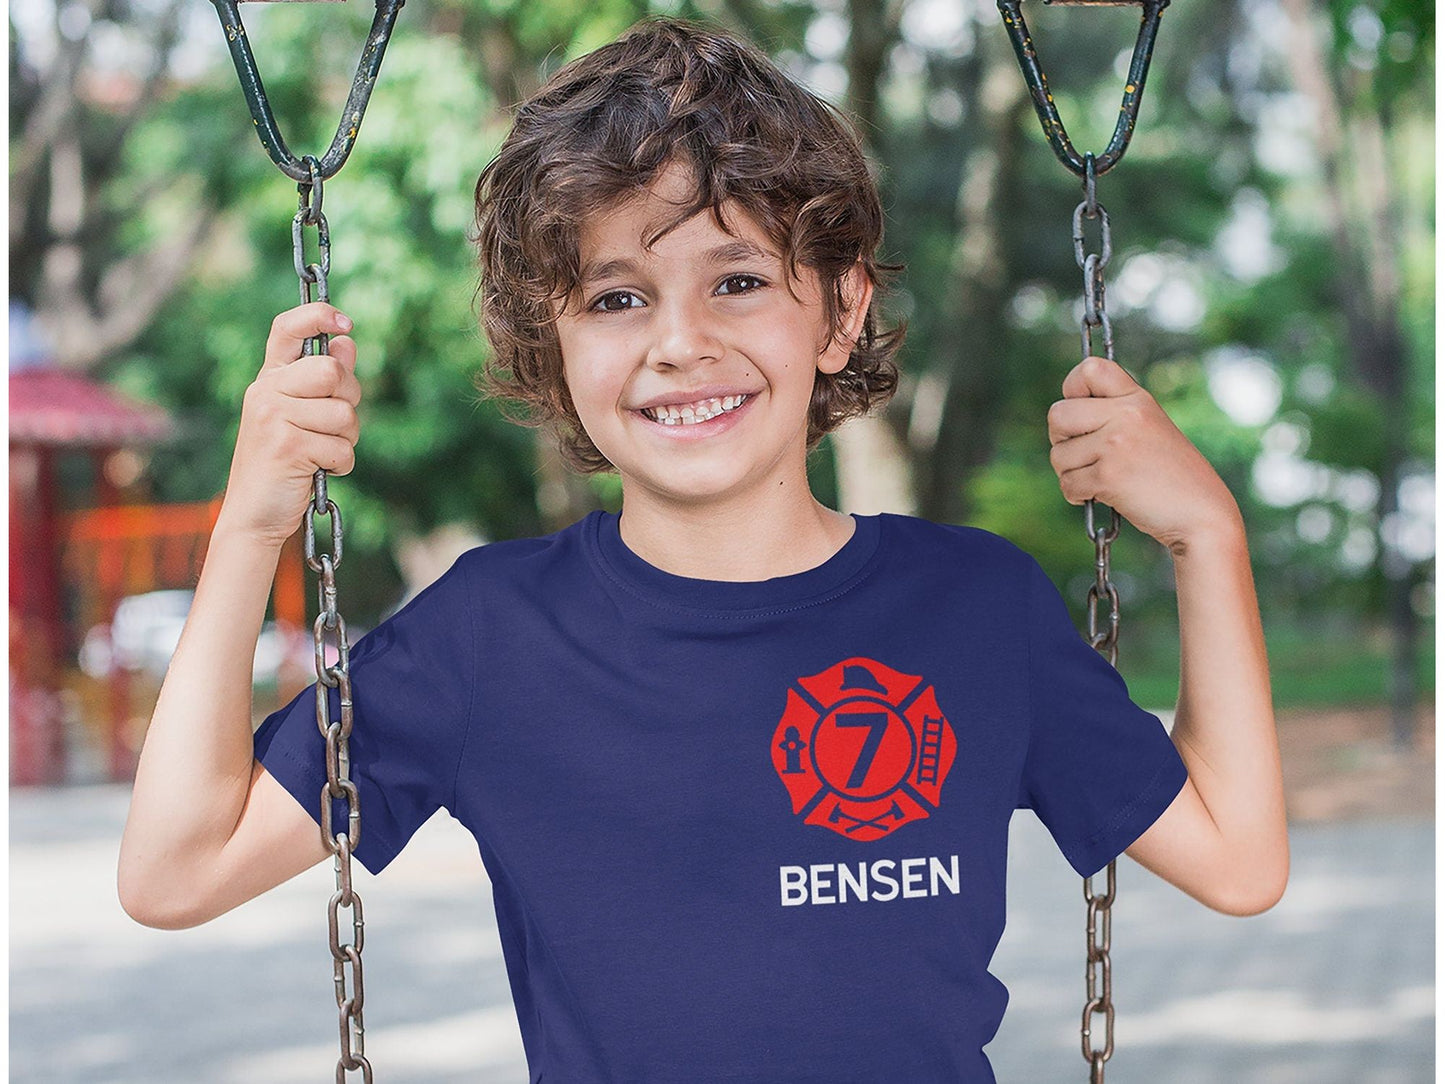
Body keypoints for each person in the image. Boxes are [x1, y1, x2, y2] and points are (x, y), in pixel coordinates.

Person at [118, 15, 1288, 1081]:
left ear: (840, 314)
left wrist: (1204, 533)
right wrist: (250, 524)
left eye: (735, 281)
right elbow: (175, 872)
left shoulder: (974, 607)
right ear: (555, 341)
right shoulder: (489, 635)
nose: (679, 343)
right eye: (617, 298)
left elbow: (1237, 861)